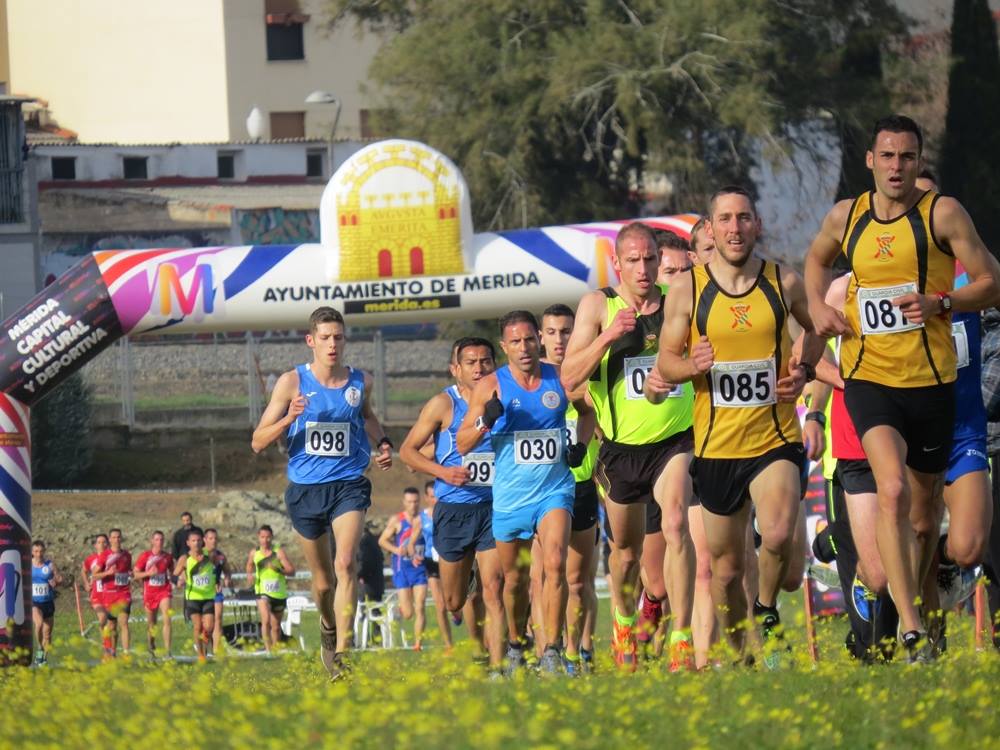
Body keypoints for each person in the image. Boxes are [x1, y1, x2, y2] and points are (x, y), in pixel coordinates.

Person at [804, 114, 1000, 659]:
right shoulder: (847, 216)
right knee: (890, 490)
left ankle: (927, 623)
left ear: (918, 162)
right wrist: (818, 308)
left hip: (934, 387)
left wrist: (941, 303)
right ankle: (911, 627)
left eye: (907, 157)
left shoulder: (944, 214)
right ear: (870, 160)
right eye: (887, 156)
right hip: (871, 381)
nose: (896, 167)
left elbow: (992, 283)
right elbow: (815, 260)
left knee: (922, 518)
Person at [654, 185, 825, 666]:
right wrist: (691, 366)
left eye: (744, 218)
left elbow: (816, 329)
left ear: (757, 224)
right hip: (717, 446)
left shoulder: (782, 281)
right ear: (710, 228)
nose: (735, 228)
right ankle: (740, 649)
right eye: (725, 219)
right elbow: (666, 361)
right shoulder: (689, 287)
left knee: (774, 534)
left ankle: (767, 613)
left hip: (774, 438)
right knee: (726, 572)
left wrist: (802, 369)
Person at [562, 221, 697, 672]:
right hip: (620, 450)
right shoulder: (599, 305)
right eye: (634, 261)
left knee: (677, 523)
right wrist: (606, 336)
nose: (643, 269)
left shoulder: (678, 301)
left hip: (675, 440)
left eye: (650, 260)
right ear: (616, 263)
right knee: (625, 554)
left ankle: (682, 638)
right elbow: (567, 379)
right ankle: (623, 621)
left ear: (660, 262)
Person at [252, 305, 393, 680]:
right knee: (323, 581)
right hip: (305, 491)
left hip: (348, 484)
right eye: (326, 338)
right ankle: (328, 629)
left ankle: (344, 653)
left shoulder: (361, 381)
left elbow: (367, 416)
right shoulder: (291, 383)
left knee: (346, 562)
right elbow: (257, 441)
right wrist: (289, 417)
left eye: (339, 337)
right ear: (311, 341)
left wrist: (383, 443)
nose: (333, 345)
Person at [458, 310, 588, 675]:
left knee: (554, 563)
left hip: (554, 489)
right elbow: (463, 442)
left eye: (530, 339)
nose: (524, 347)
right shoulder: (490, 386)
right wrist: (486, 419)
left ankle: (552, 650)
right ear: (504, 347)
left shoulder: (559, 377)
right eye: (515, 342)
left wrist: (579, 443)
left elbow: (587, 411)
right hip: (511, 497)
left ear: (539, 340)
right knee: (513, 581)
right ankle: (516, 641)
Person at [399, 337, 505, 669]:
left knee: (495, 587)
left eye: (485, 361)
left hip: (494, 506)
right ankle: (465, 581)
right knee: (453, 600)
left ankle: (498, 664)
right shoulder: (442, 405)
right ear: (455, 369)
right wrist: (443, 472)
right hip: (454, 511)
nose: (479, 368)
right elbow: (407, 452)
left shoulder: (506, 396)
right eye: (471, 363)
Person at [539, 303, 600, 673]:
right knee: (542, 576)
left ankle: (577, 652)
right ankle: (546, 650)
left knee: (578, 581)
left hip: (582, 487)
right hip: (540, 491)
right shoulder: (530, 380)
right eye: (553, 332)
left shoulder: (590, 376)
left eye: (567, 331)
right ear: (541, 337)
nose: (560, 340)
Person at [379, 488, 430, 650]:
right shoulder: (397, 520)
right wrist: (396, 550)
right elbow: (382, 541)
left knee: (420, 605)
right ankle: (402, 608)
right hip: (402, 569)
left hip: (419, 568)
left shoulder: (424, 519)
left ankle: (417, 644)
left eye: (415, 502)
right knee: (408, 614)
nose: (413, 505)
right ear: (404, 502)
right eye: (409, 502)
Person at [418, 481, 455, 651]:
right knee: (440, 605)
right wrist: (413, 554)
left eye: (437, 496)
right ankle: (448, 645)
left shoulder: (449, 513)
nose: (435, 500)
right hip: (430, 562)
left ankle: (457, 612)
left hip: (449, 560)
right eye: (432, 497)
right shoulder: (422, 517)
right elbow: (412, 541)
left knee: (452, 602)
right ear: (426, 498)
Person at [247, 525, 295, 653]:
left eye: (268, 537)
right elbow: (249, 565)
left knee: (276, 627)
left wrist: (279, 570)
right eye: (262, 537)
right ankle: (268, 651)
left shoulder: (278, 552)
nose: (265, 540)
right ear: (258, 537)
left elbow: (292, 571)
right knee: (266, 620)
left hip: (279, 594)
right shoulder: (254, 552)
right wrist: (250, 575)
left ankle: (274, 650)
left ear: (272, 537)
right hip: (262, 592)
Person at [174, 529, 217, 661]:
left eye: (199, 540)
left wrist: (220, 580)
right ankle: (201, 655)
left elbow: (218, 568)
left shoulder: (209, 555)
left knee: (209, 627)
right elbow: (174, 575)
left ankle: (202, 644)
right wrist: (179, 580)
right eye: (193, 541)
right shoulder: (184, 558)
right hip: (192, 597)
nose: (196, 543)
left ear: (202, 542)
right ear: (188, 543)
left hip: (208, 596)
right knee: (198, 626)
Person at [133, 531, 174, 659]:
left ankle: (168, 652)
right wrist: (148, 574)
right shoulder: (145, 556)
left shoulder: (167, 557)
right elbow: (135, 574)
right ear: (152, 541)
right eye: (157, 539)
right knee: (152, 624)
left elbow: (173, 572)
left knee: (167, 620)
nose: (159, 542)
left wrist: (179, 579)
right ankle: (151, 646)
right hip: (149, 593)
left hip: (164, 591)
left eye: (161, 539)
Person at [100, 528, 133, 655]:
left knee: (123, 622)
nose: (117, 539)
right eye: (114, 537)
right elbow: (95, 575)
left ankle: (126, 654)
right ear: (110, 539)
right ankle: (112, 651)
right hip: (109, 594)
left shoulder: (127, 555)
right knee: (112, 626)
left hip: (124, 594)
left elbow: (129, 571)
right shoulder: (104, 555)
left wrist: (130, 574)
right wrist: (108, 572)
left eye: (118, 537)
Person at [82, 534, 114, 658]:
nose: (102, 544)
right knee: (102, 619)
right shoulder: (91, 559)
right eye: (99, 542)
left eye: (104, 542)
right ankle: (106, 650)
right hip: (97, 595)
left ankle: (110, 650)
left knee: (111, 625)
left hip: (111, 594)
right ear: (95, 545)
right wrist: (86, 583)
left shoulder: (111, 557)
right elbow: (83, 570)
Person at [30, 540, 62, 665]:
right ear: (32, 552)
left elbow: (59, 578)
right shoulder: (28, 565)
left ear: (44, 551)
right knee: (38, 624)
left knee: (47, 634)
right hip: (34, 602)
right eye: (36, 551)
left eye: (41, 551)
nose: (39, 554)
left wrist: (56, 581)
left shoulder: (49, 565)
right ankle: (39, 647)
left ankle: (43, 659)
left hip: (48, 602)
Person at [204, 528, 233, 653]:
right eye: (210, 538)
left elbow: (227, 570)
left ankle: (216, 650)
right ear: (205, 540)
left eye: (215, 538)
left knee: (218, 618)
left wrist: (227, 578)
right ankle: (204, 648)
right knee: (206, 624)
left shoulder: (221, 556)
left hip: (216, 591)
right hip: (202, 592)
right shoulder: (200, 555)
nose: (213, 541)